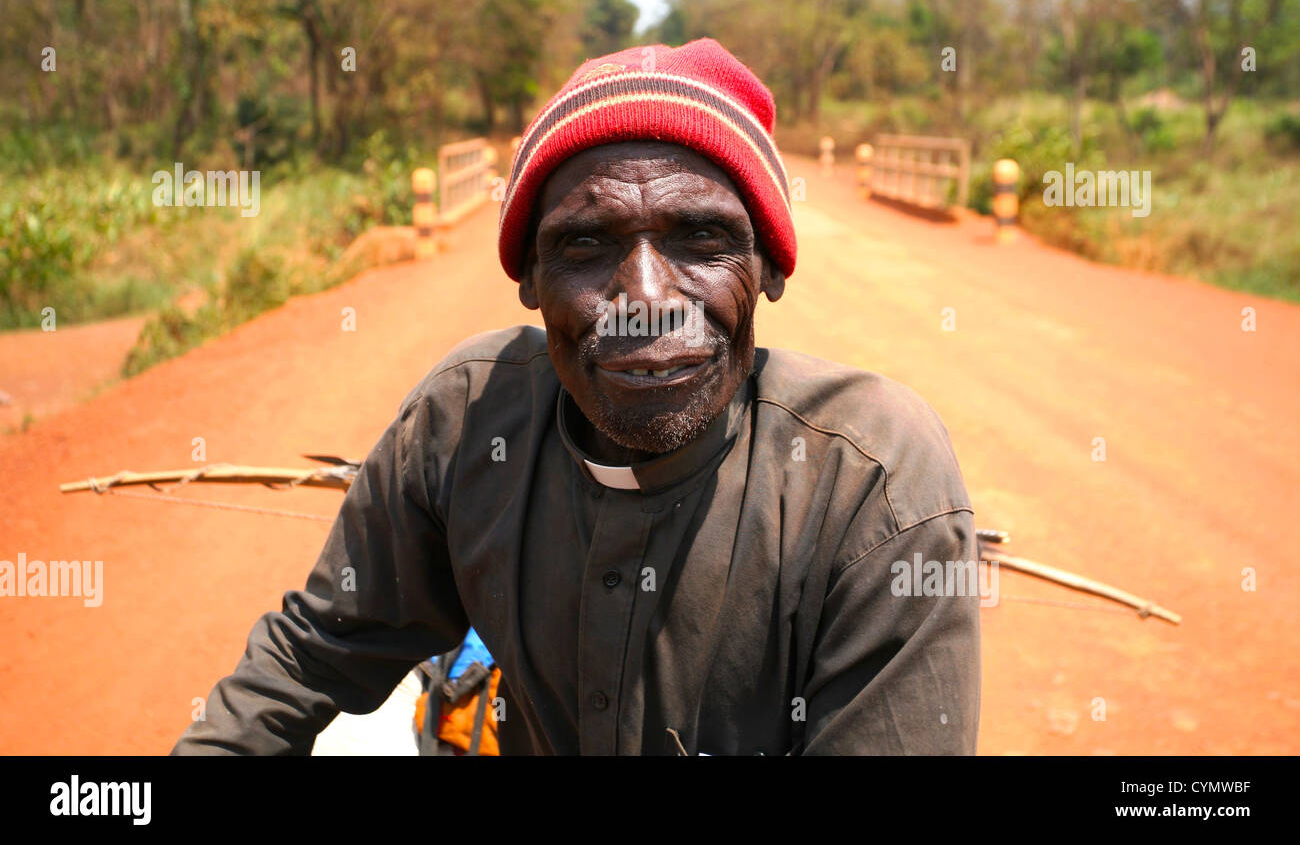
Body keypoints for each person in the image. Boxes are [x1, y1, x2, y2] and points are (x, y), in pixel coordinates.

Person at [173, 38, 980, 756]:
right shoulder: (465, 419)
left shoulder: (872, 483)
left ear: (768, 266)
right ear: (527, 277)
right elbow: (315, 654)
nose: (645, 296)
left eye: (701, 238)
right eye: (586, 244)